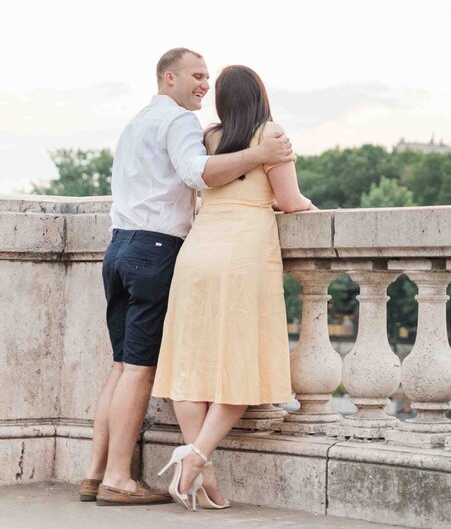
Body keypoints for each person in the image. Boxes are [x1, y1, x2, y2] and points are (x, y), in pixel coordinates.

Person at [84, 48, 295, 508]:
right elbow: (198, 175)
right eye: (196, 76)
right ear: (169, 78)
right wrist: (261, 152)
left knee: (121, 366)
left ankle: (94, 472)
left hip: (119, 244)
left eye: (208, 79)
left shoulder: (137, 122)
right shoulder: (180, 122)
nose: (203, 85)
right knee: (139, 369)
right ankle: (119, 478)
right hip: (155, 248)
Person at [151, 63, 314, 510]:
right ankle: (194, 461)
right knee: (240, 368)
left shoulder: (209, 137)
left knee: (191, 364)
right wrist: (308, 205)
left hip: (197, 254)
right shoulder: (270, 134)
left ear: (221, 99)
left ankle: (205, 474)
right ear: (260, 95)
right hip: (243, 254)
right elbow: (288, 200)